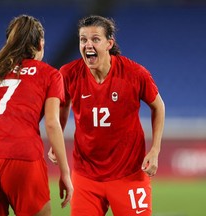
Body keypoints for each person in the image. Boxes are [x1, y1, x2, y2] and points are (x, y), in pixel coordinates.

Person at [48, 15, 165, 216]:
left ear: (109, 43)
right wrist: (56, 138)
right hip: (86, 177)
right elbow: (63, 105)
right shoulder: (68, 73)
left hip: (129, 173)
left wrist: (155, 150)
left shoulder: (134, 73)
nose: (88, 44)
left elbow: (158, 106)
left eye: (95, 39)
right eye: (83, 40)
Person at [0, 14, 73, 216]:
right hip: (23, 155)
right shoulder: (49, 74)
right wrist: (65, 172)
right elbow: (52, 123)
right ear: (40, 44)